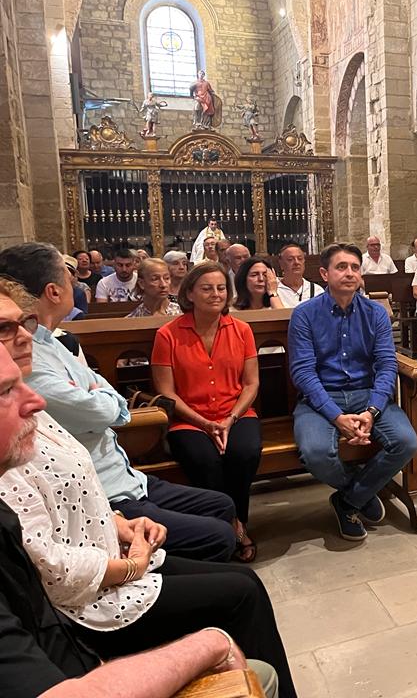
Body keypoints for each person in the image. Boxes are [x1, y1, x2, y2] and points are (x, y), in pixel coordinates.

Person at [0, 294, 294, 698]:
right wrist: (131, 567)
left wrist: (119, 523)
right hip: (91, 597)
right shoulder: (11, 466)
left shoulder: (38, 395)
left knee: (240, 555)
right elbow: (53, 569)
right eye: (7, 390)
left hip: (116, 537)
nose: (33, 399)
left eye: (25, 323)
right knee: (237, 582)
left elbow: (78, 481)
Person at [0, 243, 239, 562]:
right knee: (219, 535)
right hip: (105, 492)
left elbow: (108, 396)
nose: (75, 284)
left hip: (125, 476)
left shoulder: (54, 342)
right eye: (6, 327)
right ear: (54, 292)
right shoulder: (26, 358)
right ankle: (162, 571)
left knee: (222, 503)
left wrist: (99, 394)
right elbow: (104, 409)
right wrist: (99, 395)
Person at [289, 243, 417, 542]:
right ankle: (360, 493)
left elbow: (386, 364)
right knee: (316, 453)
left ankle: (347, 501)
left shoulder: (375, 313)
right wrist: (336, 417)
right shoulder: (305, 314)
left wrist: (371, 411)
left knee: (406, 442)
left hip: (366, 394)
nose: (350, 273)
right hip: (321, 398)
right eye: (341, 267)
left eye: (355, 268)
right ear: (324, 274)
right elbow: (303, 373)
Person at [152, 264, 262, 562]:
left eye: (221, 288)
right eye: (207, 288)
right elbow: (167, 393)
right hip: (188, 419)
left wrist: (229, 419)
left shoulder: (241, 330)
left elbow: (251, 384)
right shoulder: (168, 334)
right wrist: (204, 423)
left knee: (245, 452)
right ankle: (228, 527)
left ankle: (238, 521)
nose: (215, 294)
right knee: (205, 460)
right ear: (189, 293)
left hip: (236, 413)